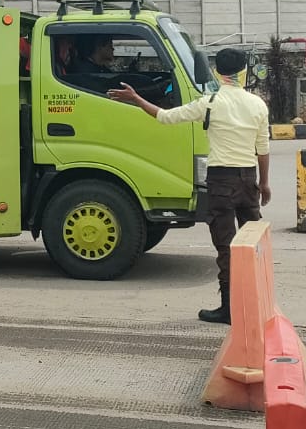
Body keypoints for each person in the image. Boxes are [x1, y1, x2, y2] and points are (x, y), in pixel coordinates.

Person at [109, 47, 271, 325]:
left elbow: (165, 116)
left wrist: (136, 98)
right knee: (253, 243)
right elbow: (263, 149)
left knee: (226, 247)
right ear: (244, 71)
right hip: (248, 181)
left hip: (221, 183)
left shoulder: (209, 103)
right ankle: (257, 302)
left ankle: (229, 308)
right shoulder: (258, 104)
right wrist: (263, 183)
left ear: (217, 72)